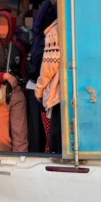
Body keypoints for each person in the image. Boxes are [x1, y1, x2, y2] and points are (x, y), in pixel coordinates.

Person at [0, 9, 29, 152]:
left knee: (21, 137)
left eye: (4, 25)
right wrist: (4, 76)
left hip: (16, 93)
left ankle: (21, 163)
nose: (1, 29)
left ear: (10, 25)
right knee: (0, 139)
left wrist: (22, 88)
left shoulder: (19, 47)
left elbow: (24, 73)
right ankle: (8, 161)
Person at [26, 0, 58, 152]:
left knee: (47, 131)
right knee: (43, 129)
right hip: (42, 90)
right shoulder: (41, 36)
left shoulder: (49, 38)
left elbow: (48, 69)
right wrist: (50, 2)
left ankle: (47, 151)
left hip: (45, 91)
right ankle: (44, 151)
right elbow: (38, 23)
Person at [35, 15, 61, 153]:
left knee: (54, 141)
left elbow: (48, 68)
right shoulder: (71, 27)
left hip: (57, 96)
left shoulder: (54, 32)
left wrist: (38, 90)